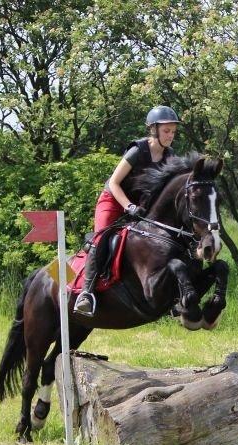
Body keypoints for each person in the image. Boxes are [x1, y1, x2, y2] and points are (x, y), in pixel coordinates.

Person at [73, 106, 180, 316]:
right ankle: (86, 294)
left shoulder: (170, 156)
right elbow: (114, 182)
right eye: (166, 131)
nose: (170, 136)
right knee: (100, 238)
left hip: (140, 205)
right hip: (113, 200)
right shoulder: (137, 151)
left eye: (173, 132)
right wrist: (128, 206)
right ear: (154, 130)